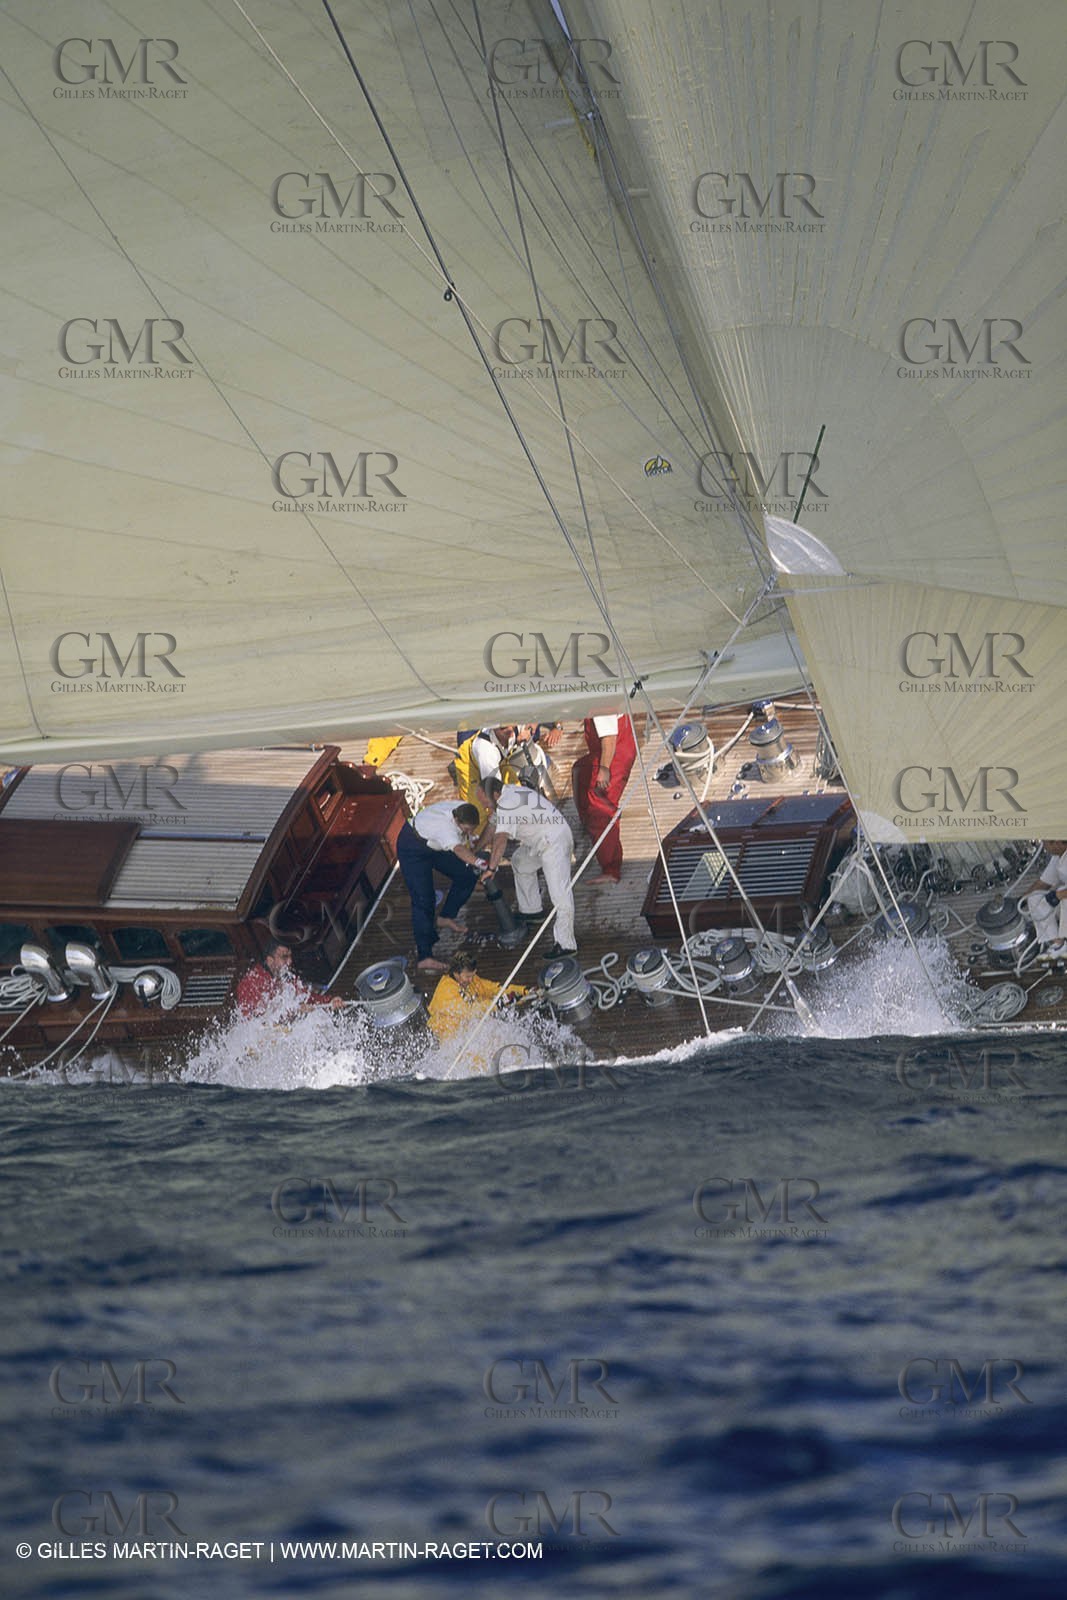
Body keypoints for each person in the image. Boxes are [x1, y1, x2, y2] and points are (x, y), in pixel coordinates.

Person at [482, 773, 577, 957]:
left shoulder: (508, 804)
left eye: (484, 801)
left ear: (494, 795)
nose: (484, 806)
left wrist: (491, 868)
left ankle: (566, 944)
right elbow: (493, 826)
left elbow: (500, 840)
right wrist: (475, 848)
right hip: (540, 841)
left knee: (559, 893)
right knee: (520, 862)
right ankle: (532, 910)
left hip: (554, 842)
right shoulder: (506, 793)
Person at [397, 799, 484, 973]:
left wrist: (471, 841)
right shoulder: (447, 830)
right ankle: (425, 956)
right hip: (412, 846)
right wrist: (481, 863)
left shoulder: (462, 807)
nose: (469, 833)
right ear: (456, 821)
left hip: (433, 844)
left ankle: (445, 917)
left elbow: (464, 841)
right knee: (424, 901)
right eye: (466, 830)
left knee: (466, 874)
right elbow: (459, 850)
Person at [571, 710, 637, 883]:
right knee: (579, 770)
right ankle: (586, 819)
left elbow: (609, 741)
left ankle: (611, 869)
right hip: (616, 748)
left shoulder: (600, 706)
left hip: (614, 755)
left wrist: (604, 769)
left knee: (600, 807)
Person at [428, 950, 527, 1046]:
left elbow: (492, 989)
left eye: (473, 975)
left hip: (466, 1032)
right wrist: (496, 1004)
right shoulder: (446, 991)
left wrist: (522, 991)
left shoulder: (470, 980)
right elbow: (469, 1011)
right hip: (448, 1040)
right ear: (456, 973)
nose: (471, 980)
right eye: (467, 976)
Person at [235, 938, 344, 1017]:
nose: (290, 961)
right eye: (284, 957)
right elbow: (257, 1022)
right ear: (270, 960)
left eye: (290, 956)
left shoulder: (287, 978)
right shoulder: (251, 982)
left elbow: (309, 998)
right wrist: (294, 1010)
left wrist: (330, 1002)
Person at [1021, 839, 1067, 954]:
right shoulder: (1058, 857)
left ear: (1056, 843)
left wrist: (1059, 895)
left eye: (1045, 842)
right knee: (1034, 897)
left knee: (1062, 893)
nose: (1043, 845)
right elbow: (1043, 883)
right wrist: (1022, 900)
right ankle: (1057, 943)